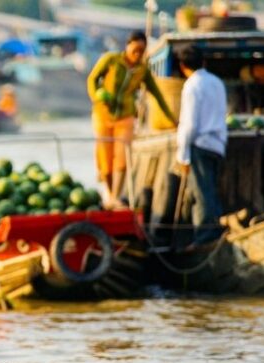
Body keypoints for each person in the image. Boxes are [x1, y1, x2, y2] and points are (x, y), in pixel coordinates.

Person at [88, 31, 177, 207]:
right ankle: (108, 192)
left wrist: (173, 119)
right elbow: (92, 79)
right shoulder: (111, 60)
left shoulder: (142, 71)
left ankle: (114, 196)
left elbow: (157, 96)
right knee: (105, 160)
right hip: (103, 113)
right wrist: (97, 96)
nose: (137, 54)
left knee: (122, 158)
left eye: (141, 51)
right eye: (135, 49)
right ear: (128, 46)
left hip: (126, 116)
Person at [175, 45, 227, 247]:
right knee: (210, 189)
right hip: (217, 145)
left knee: (202, 193)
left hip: (201, 144)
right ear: (203, 62)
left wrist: (183, 155)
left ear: (182, 66)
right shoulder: (217, 82)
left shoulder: (192, 85)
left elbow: (189, 124)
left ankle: (206, 239)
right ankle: (212, 232)